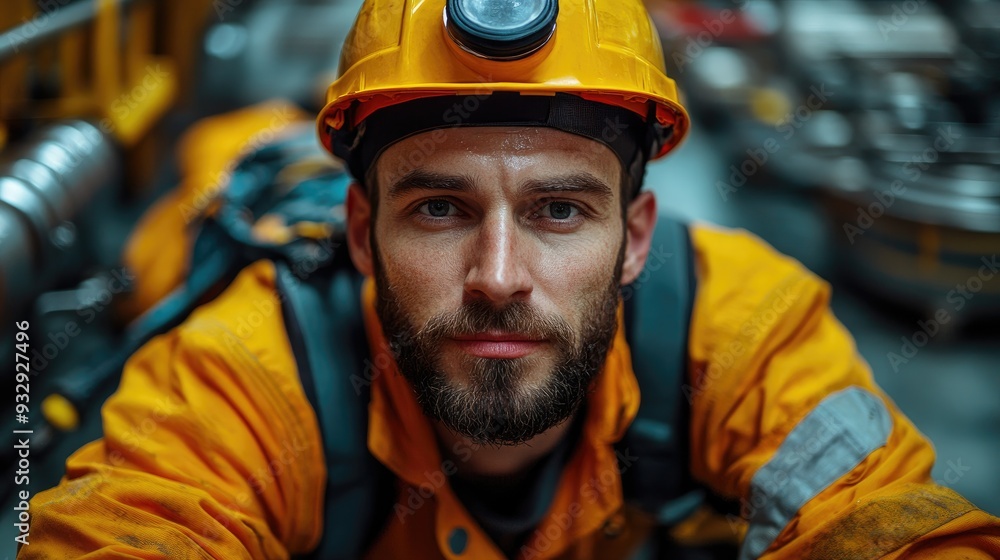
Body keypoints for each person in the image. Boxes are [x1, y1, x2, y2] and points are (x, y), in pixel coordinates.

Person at [19, 0, 1000, 557]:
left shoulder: (740, 324)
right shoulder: (249, 365)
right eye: (439, 208)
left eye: (559, 210)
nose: (497, 277)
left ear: (635, 235)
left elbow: (887, 526)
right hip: (238, 175)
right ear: (361, 230)